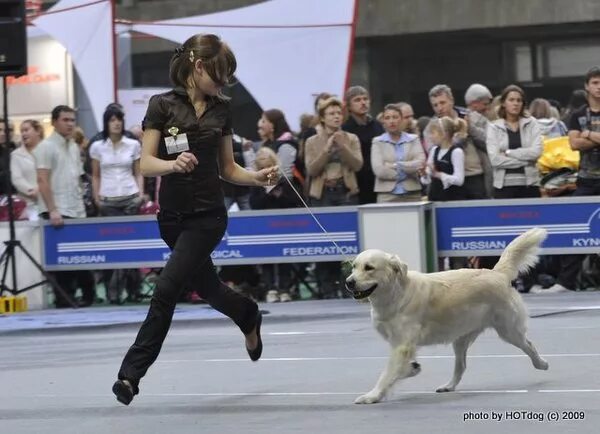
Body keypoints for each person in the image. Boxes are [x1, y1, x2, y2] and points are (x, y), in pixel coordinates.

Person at [112, 34, 278, 406]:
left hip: (208, 218)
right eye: (219, 76)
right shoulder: (161, 106)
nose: (222, 84)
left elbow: (230, 169)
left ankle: (130, 375)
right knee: (210, 289)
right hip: (171, 219)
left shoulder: (222, 110)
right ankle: (248, 314)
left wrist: (257, 177)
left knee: (167, 288)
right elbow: (145, 163)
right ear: (198, 66)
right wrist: (172, 164)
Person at [34, 106, 97, 307]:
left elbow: (77, 178)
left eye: (72, 120)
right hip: (57, 210)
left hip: (76, 209)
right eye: (65, 120)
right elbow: (42, 180)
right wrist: (53, 210)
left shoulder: (73, 145)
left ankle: (87, 297)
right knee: (63, 261)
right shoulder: (45, 147)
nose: (70, 124)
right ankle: (64, 299)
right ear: (54, 122)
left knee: (81, 257)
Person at [305, 97, 362, 298]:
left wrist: (343, 147)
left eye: (339, 113)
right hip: (323, 194)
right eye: (331, 113)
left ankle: (348, 284)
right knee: (325, 240)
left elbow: (357, 165)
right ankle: (326, 286)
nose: (336, 117)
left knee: (348, 242)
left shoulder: (352, 138)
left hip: (345, 192)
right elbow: (311, 169)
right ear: (322, 118)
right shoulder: (312, 141)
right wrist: (327, 149)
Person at [90, 105, 145, 304]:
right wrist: (97, 198)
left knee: (132, 248)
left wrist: (140, 194)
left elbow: (138, 172)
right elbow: (95, 176)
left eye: (119, 119)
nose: (117, 123)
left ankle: (134, 291)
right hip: (107, 201)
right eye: (113, 119)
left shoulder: (133, 144)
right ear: (106, 122)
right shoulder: (97, 147)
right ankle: (113, 293)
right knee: (112, 250)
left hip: (130, 198)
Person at [249, 147, 302, 302]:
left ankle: (285, 289)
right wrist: (267, 193)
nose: (267, 170)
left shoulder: (284, 180)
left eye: (269, 167)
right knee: (267, 258)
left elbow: (296, 201)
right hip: (264, 226)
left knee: (285, 256)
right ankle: (270, 288)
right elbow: (254, 204)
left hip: (284, 225)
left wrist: (281, 195)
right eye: (263, 167)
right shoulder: (255, 181)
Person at [486, 85, 542, 199]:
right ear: (503, 103)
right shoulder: (493, 127)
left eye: (519, 100)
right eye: (511, 100)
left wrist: (508, 152)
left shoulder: (532, 124)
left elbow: (536, 152)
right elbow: (495, 160)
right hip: (504, 187)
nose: (515, 103)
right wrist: (526, 161)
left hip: (529, 185)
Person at [371, 104, 425, 202]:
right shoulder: (377, 141)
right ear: (383, 122)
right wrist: (407, 172)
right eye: (387, 118)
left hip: (412, 194)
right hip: (387, 195)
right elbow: (379, 170)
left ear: (401, 119)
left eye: (395, 117)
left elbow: (420, 163)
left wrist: (395, 165)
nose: (391, 121)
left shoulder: (413, 139)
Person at [342, 86, 384, 204]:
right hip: (357, 181)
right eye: (357, 100)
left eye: (365, 99)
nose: (363, 102)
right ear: (349, 106)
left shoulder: (377, 125)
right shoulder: (346, 129)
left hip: (378, 180)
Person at [420, 117, 467, 201]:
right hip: (435, 197)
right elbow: (428, 178)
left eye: (433, 133)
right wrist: (424, 174)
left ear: (444, 134)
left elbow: (459, 180)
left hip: (452, 198)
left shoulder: (456, 152)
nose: (430, 137)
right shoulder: (434, 150)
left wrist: (439, 175)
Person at [11, 120, 44, 220]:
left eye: (26, 130)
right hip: (27, 206)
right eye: (22, 131)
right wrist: (32, 191)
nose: (23, 134)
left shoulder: (49, 151)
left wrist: (41, 190)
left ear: (38, 131)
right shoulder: (16, 155)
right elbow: (17, 179)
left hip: (49, 203)